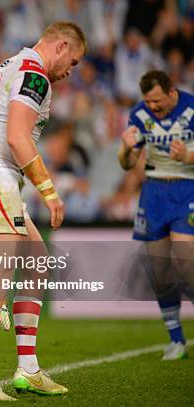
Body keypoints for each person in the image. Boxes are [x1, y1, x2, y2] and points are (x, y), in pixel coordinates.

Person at [0, 21, 87, 400]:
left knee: (36, 262)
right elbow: (15, 138)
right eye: (73, 62)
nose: (70, 71)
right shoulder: (36, 74)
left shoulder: (8, 65)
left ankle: (28, 369)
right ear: (60, 46)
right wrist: (49, 191)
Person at [118, 70, 193, 360]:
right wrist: (126, 147)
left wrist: (187, 156)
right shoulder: (139, 114)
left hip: (187, 189)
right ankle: (176, 340)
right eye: (148, 102)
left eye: (158, 101)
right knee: (159, 269)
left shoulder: (191, 109)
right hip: (153, 193)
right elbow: (127, 164)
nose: (154, 107)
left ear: (172, 92)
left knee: (187, 264)